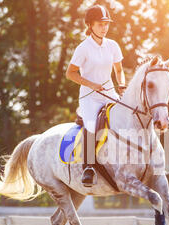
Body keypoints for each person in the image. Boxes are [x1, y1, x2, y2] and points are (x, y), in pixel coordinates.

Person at [65, 5, 126, 187]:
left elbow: (119, 69)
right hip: (89, 97)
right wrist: (92, 85)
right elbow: (71, 73)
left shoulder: (113, 45)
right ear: (90, 25)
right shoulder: (83, 48)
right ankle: (88, 167)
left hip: (109, 93)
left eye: (106, 24)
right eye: (100, 24)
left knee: (126, 117)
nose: (104, 27)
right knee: (92, 125)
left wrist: (121, 84)